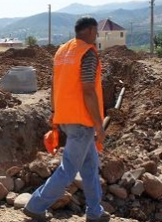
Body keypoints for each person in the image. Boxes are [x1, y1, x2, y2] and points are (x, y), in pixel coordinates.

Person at [22, 17, 110, 222]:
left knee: (89, 166)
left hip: (66, 117)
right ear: (88, 31)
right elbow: (88, 91)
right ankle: (35, 205)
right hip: (82, 120)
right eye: (96, 32)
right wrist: (99, 125)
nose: (96, 36)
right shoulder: (87, 53)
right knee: (69, 169)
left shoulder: (63, 52)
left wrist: (55, 112)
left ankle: (95, 211)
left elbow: (55, 85)